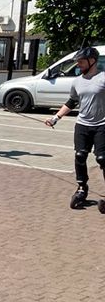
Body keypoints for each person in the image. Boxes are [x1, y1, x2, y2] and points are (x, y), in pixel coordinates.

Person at [45, 46, 105, 208]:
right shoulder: (77, 81)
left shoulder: (103, 78)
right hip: (82, 125)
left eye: (81, 61)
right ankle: (81, 188)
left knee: (102, 159)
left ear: (92, 61)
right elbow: (72, 102)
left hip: (102, 126)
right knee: (80, 156)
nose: (78, 64)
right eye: (77, 62)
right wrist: (55, 118)